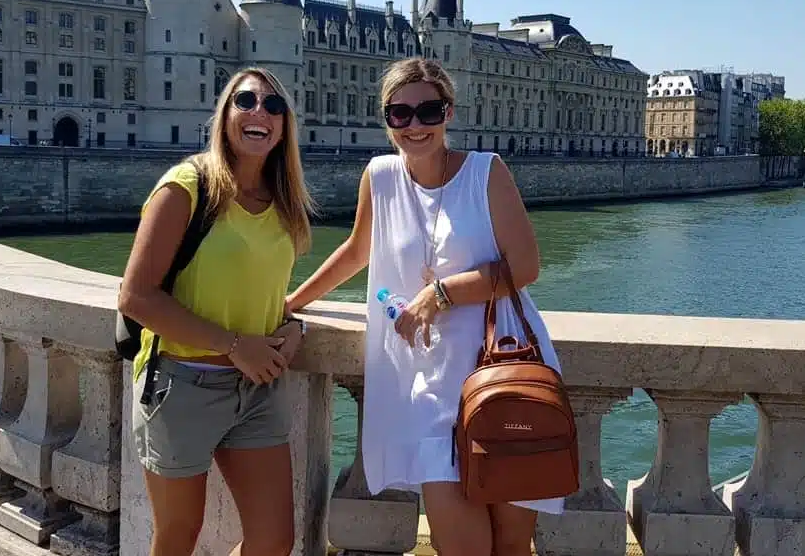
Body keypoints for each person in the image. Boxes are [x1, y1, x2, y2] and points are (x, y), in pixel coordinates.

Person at [286, 58, 564, 556]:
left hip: (502, 372)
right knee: (460, 544)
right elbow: (356, 250)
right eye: (400, 114)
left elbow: (525, 266)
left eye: (428, 110)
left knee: (512, 543)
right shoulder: (380, 176)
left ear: (448, 113)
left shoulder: (487, 172)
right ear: (386, 119)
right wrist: (292, 302)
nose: (415, 125)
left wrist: (440, 295)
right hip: (429, 388)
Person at [118, 66, 315, 556]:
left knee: (274, 541)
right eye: (245, 101)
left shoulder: (284, 202)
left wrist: (294, 328)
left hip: (258, 388)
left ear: (286, 124)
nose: (259, 113)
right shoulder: (188, 186)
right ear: (224, 114)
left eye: (274, 106)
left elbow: (264, 295)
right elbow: (135, 297)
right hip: (181, 384)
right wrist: (232, 345)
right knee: (179, 535)